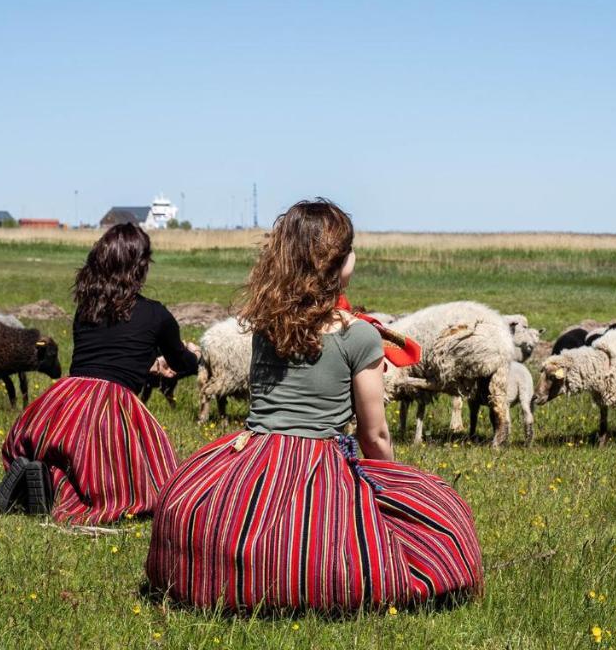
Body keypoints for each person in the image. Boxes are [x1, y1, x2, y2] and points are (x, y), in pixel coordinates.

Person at [145, 199, 483, 612]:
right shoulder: (359, 336)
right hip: (318, 459)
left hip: (253, 455)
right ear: (338, 263)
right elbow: (374, 433)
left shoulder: (267, 326)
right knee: (438, 512)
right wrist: (397, 487)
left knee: (197, 509)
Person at [0, 223, 199, 525]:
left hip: (64, 403)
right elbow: (180, 363)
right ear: (140, 266)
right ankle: (58, 493)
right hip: (111, 406)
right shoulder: (157, 315)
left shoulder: (86, 309)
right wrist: (194, 358)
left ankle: (43, 478)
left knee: (68, 456)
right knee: (133, 478)